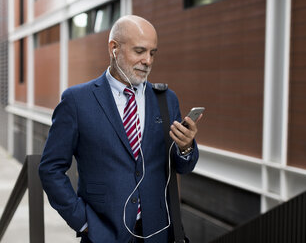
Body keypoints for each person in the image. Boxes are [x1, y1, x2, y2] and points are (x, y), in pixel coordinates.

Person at [38, 15, 201, 243]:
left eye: (152, 53)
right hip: (103, 233)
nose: (148, 61)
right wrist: (83, 222)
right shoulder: (77, 101)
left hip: (158, 233)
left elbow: (183, 166)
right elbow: (50, 169)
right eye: (139, 51)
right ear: (114, 48)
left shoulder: (166, 100)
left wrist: (185, 147)